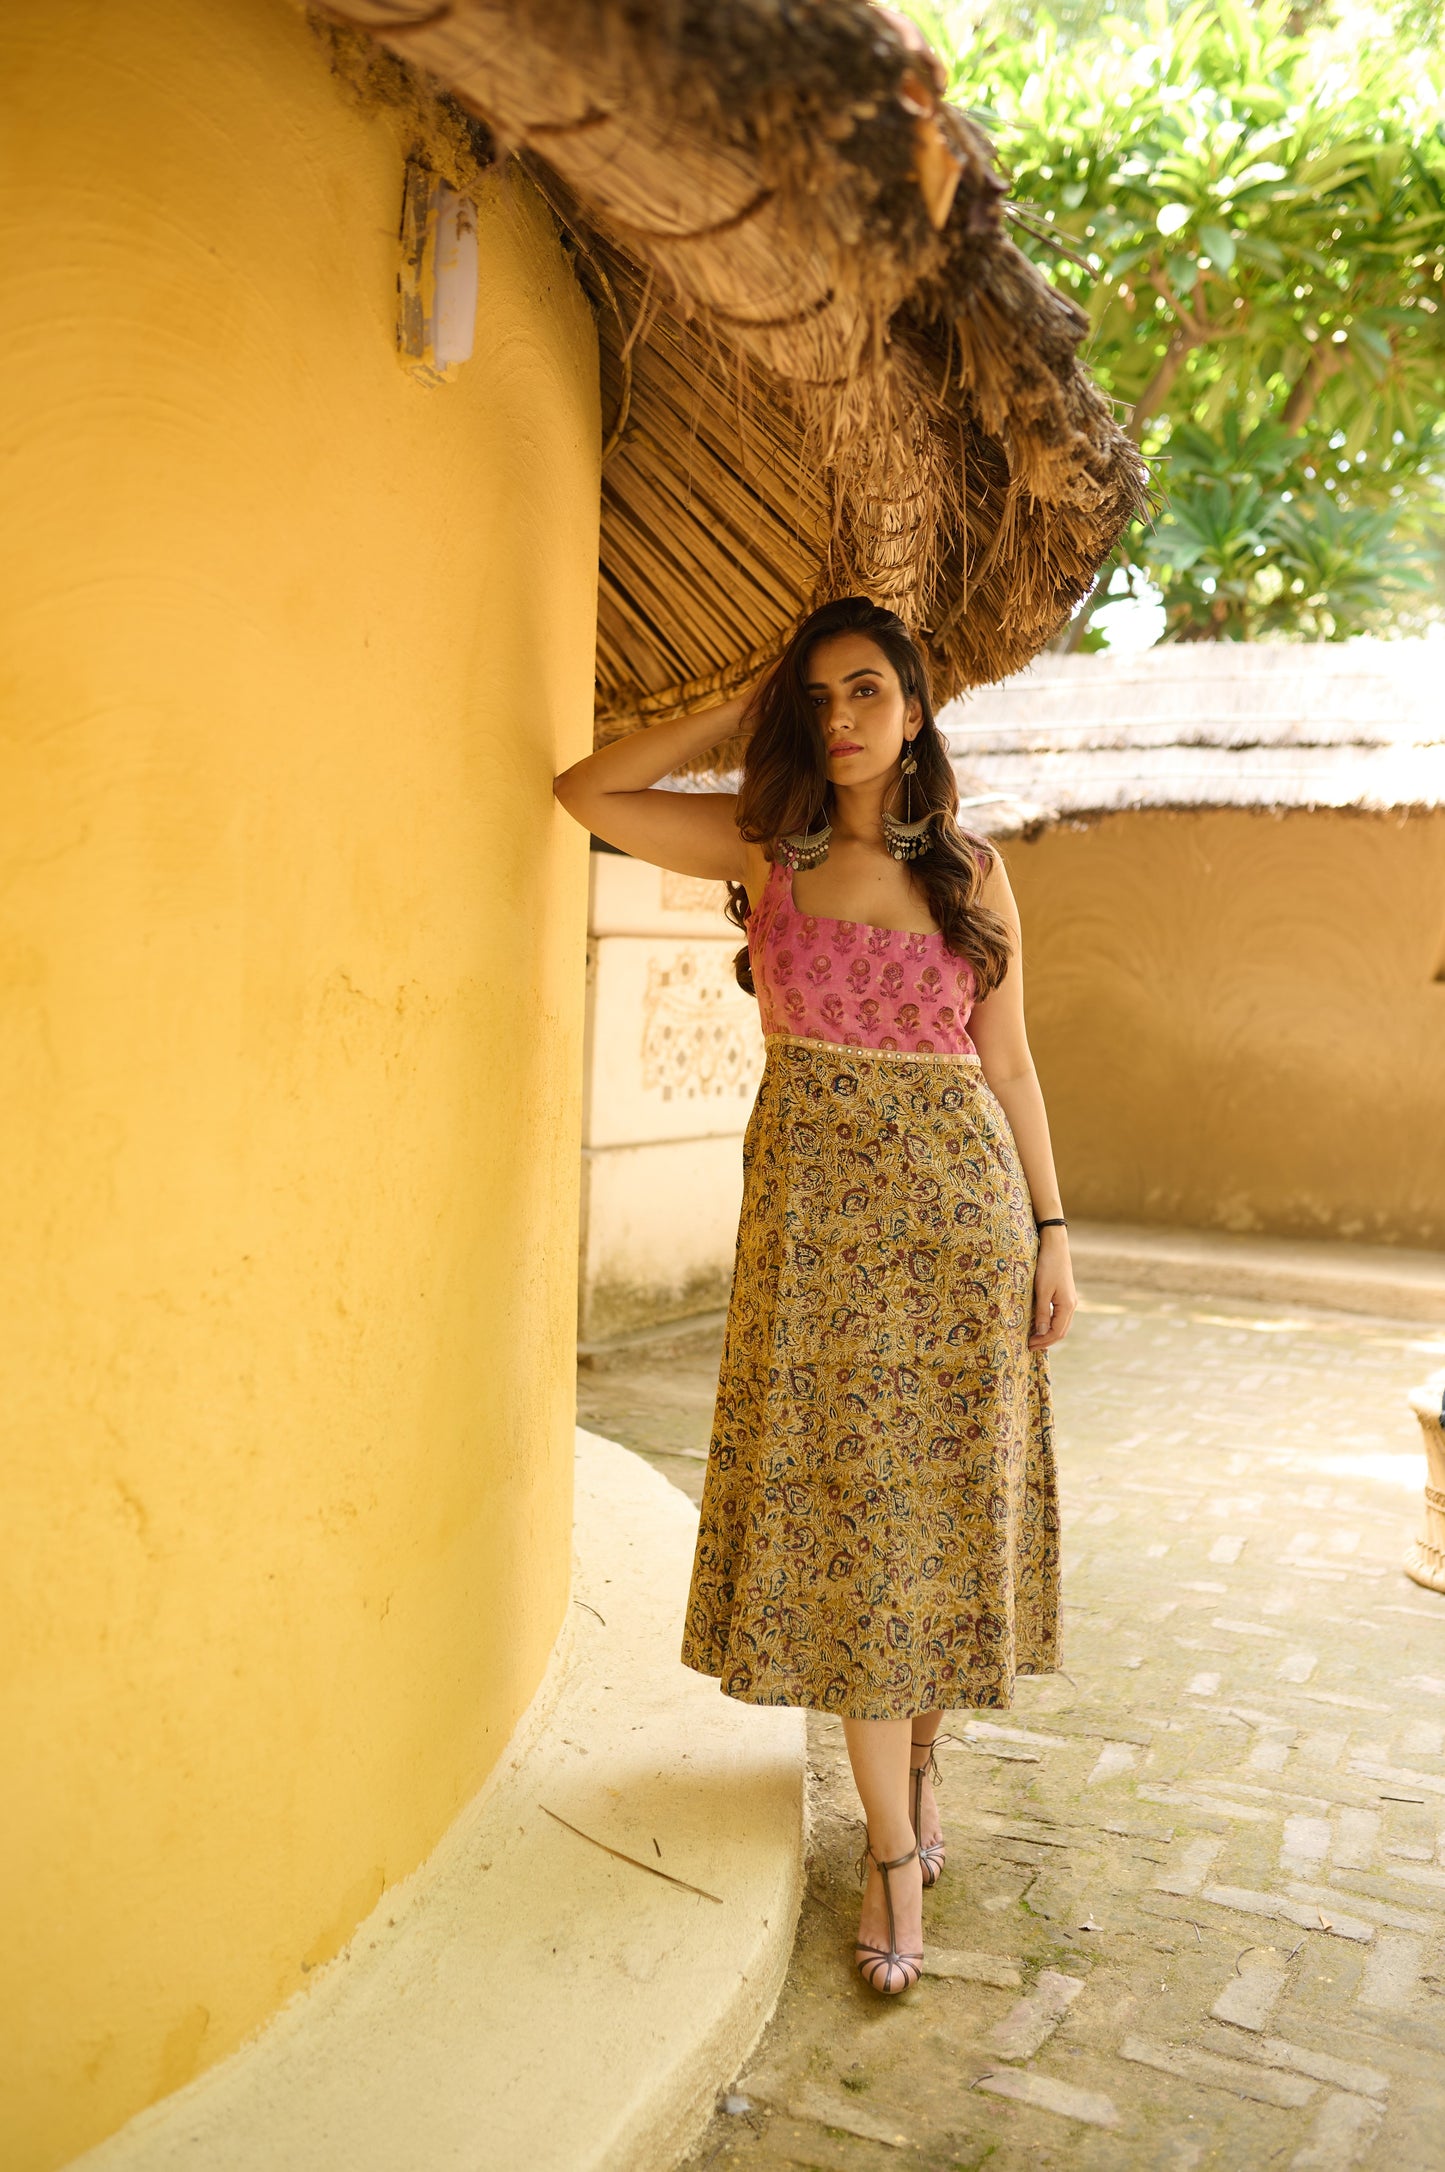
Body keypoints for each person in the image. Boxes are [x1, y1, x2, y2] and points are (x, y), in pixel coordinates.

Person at [554, 596, 1074, 1995]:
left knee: (939, 1511)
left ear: (914, 707)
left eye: (866, 692)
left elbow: (1009, 1069)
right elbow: (583, 790)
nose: (841, 721)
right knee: (858, 1538)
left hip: (958, 1232)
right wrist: (739, 711)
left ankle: (910, 1792)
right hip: (816, 1255)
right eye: (819, 699)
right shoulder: (765, 850)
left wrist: (1050, 1231)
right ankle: (893, 1848)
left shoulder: (972, 872)